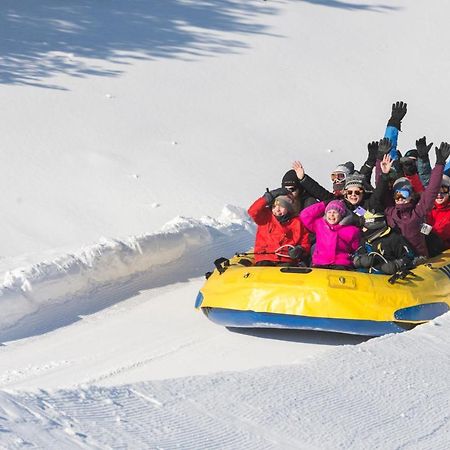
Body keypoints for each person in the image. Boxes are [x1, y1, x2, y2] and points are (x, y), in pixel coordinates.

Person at [383, 142, 450, 257]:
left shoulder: (418, 211)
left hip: (428, 256)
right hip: (399, 257)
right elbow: (381, 194)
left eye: (443, 190)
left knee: (432, 239)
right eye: (397, 195)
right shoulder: (391, 212)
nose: (400, 198)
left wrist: (439, 164)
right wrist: (384, 173)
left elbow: (430, 188)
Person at [248, 187, 310, 266]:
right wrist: (268, 197)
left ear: (288, 208)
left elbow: (305, 243)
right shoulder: (266, 217)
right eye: (274, 207)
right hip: (265, 257)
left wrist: (300, 250)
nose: (277, 210)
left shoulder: (297, 223)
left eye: (281, 206)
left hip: (286, 259)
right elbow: (252, 211)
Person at [300, 199, 361, 270]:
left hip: (341, 263)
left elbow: (355, 248)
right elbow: (304, 215)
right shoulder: (320, 224)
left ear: (341, 215)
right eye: (329, 212)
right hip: (320, 263)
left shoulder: (351, 230)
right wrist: (323, 205)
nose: (331, 215)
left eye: (335, 212)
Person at [352, 211, 416, 274]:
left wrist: (396, 265)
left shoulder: (394, 239)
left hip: (386, 279)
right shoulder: (365, 240)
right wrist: (359, 261)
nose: (362, 229)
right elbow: (355, 255)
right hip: (364, 277)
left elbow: (410, 257)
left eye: (364, 227)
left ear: (374, 224)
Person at [427, 174, 450, 251]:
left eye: (443, 190)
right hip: (429, 249)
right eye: (436, 191)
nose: (439, 195)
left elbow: (444, 233)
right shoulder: (428, 208)